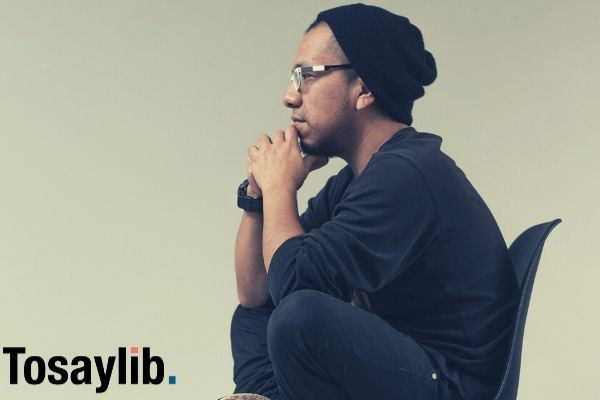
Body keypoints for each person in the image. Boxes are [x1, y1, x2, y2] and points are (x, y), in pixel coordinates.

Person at [222, 3, 518, 400]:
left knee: (298, 316)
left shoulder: (408, 174)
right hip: (406, 369)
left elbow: (294, 288)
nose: (289, 96)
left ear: (363, 88)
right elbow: (255, 291)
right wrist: (258, 196)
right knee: (259, 314)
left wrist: (281, 188)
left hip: (450, 387)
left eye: (306, 76)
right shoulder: (358, 179)